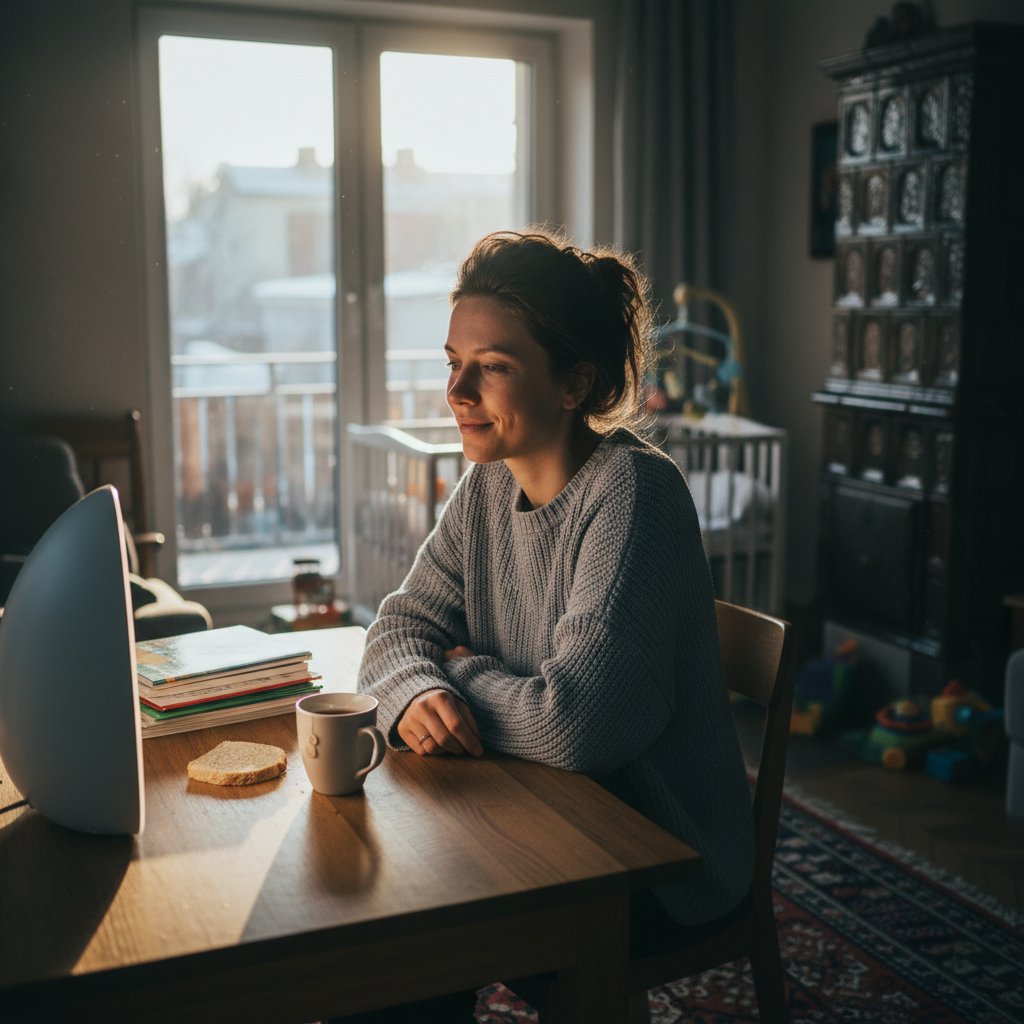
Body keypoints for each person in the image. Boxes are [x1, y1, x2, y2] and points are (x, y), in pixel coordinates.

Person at [354, 229, 755, 1019]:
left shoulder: (634, 494)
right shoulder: (483, 491)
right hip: (532, 808)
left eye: (493, 367)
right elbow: (395, 632)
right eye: (452, 362)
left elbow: (576, 728)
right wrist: (416, 690)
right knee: (379, 919)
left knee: (403, 937)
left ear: (575, 384)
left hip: (655, 859)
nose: (458, 391)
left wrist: (460, 672)